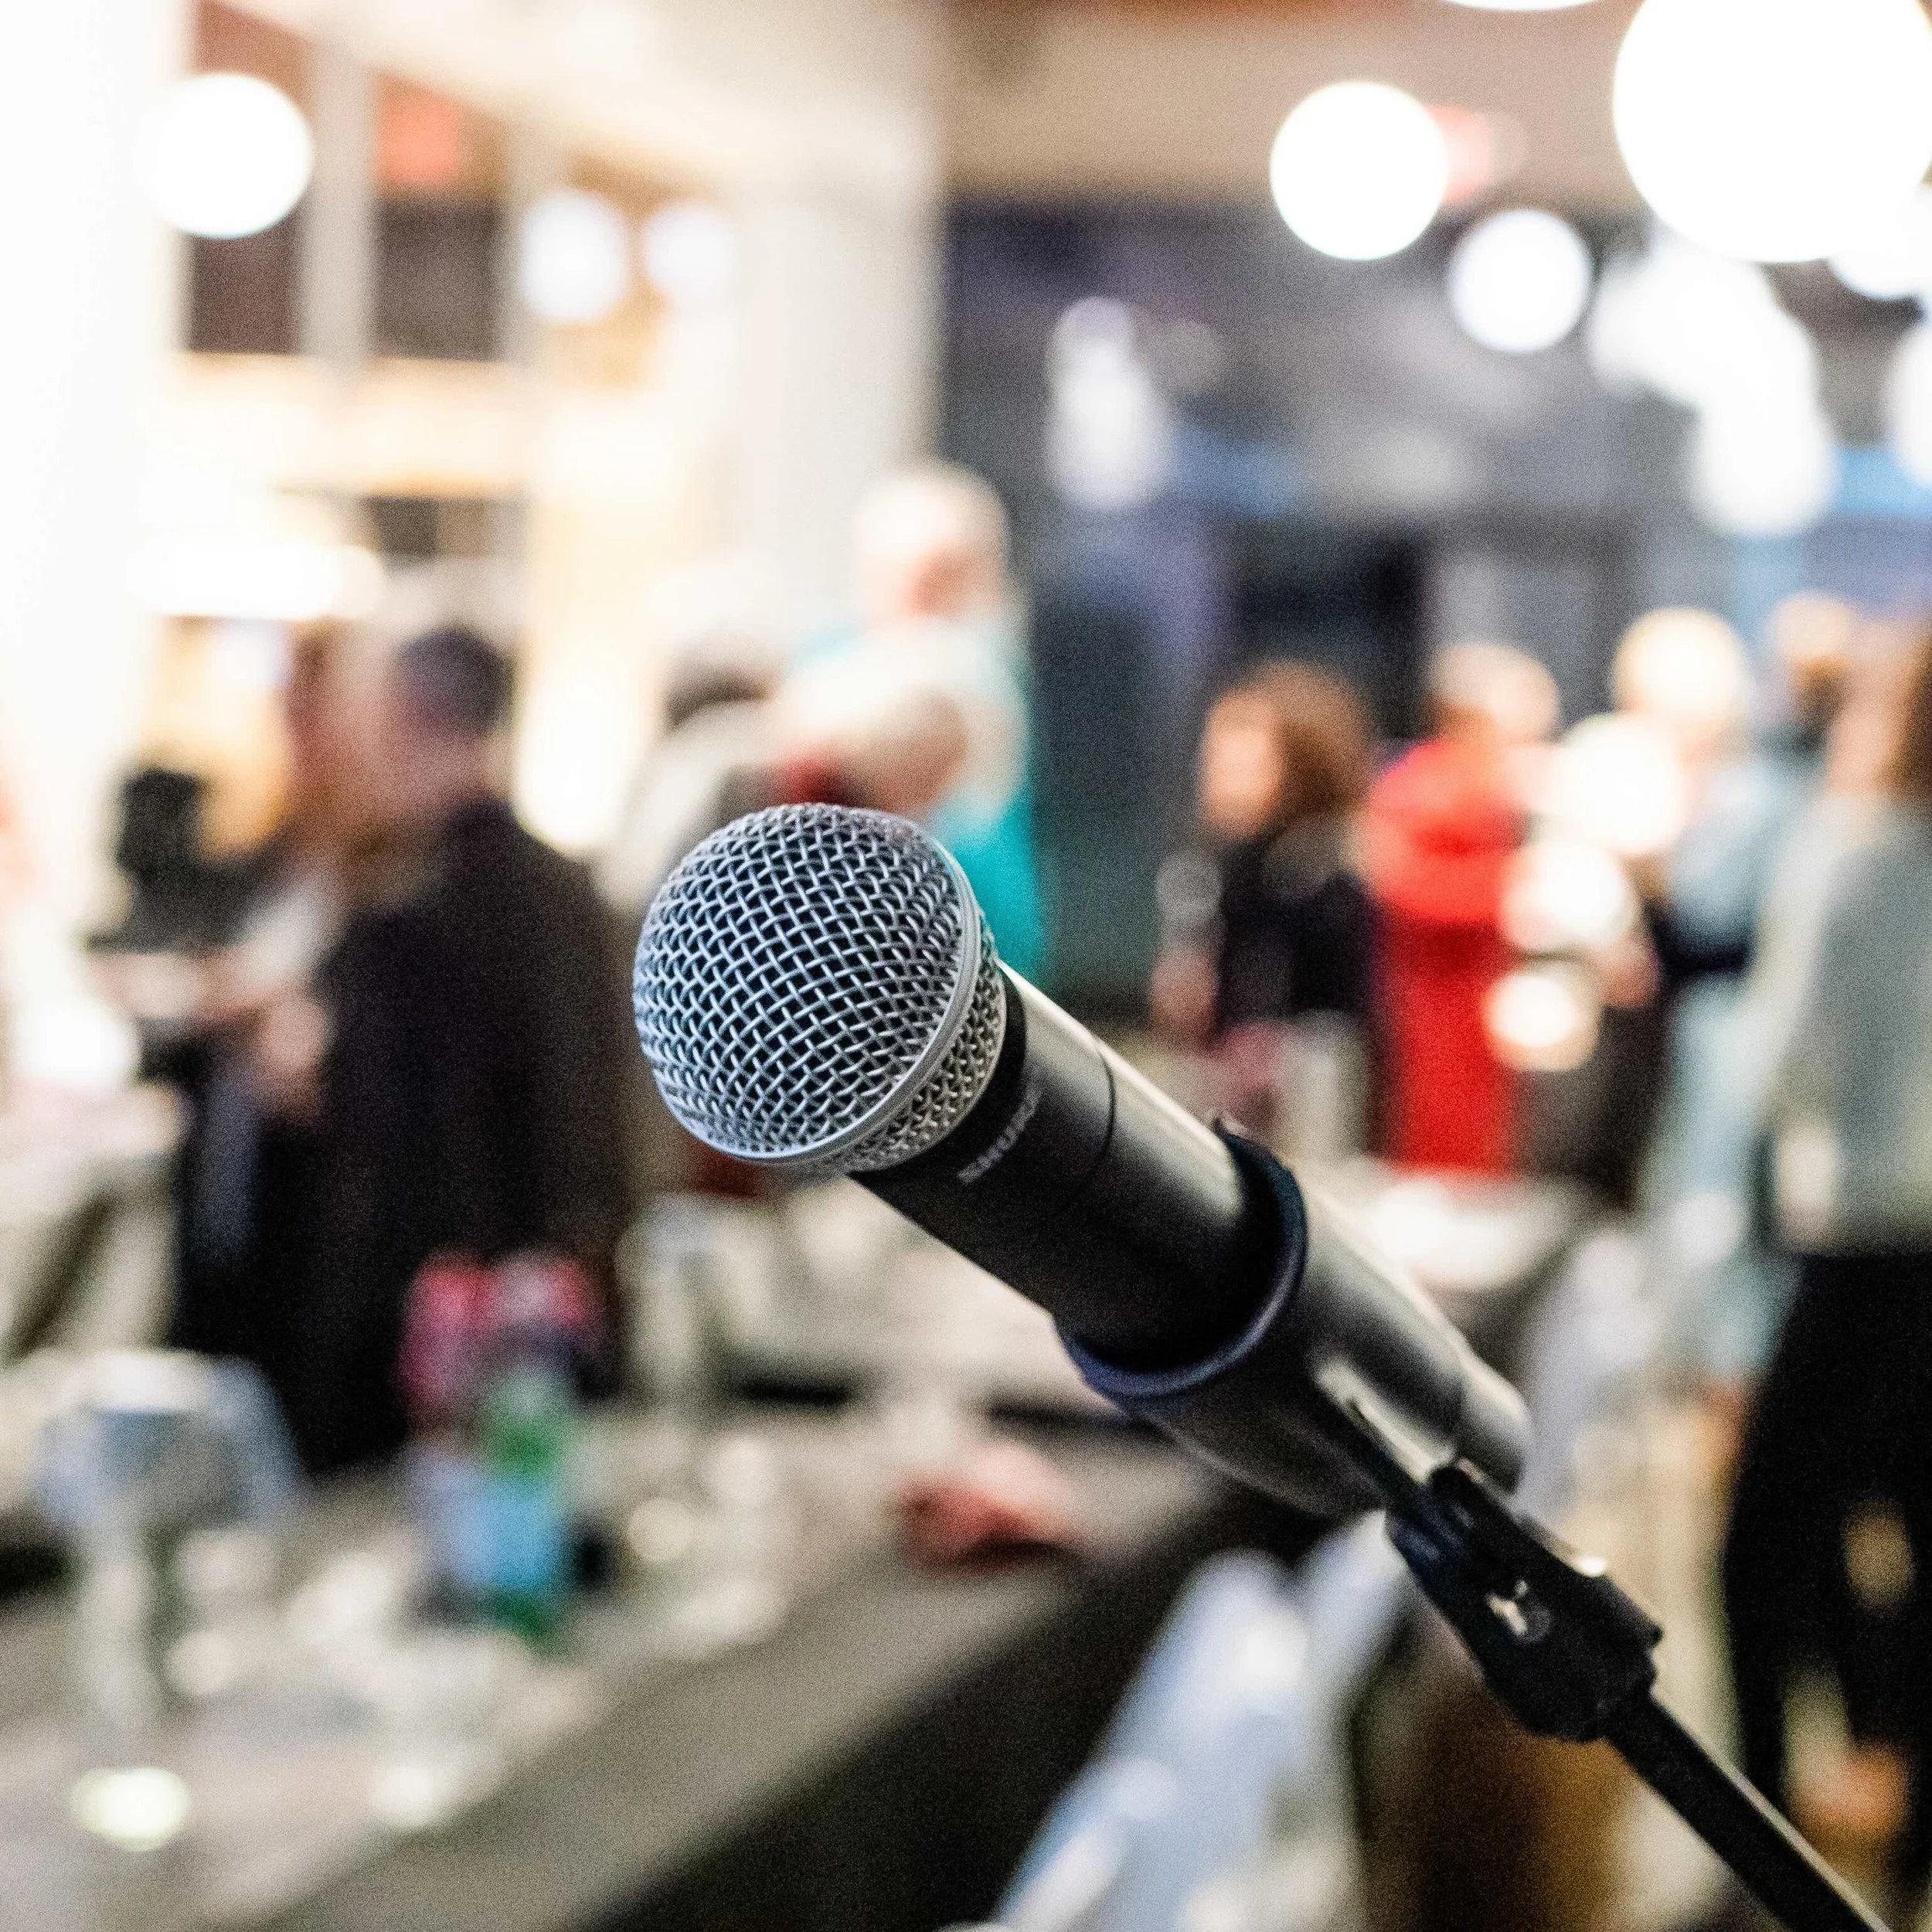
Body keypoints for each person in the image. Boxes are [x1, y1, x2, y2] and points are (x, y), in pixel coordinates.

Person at [277, 621, 634, 1471]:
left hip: (433, 1319)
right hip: (559, 1294)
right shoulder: (573, 893)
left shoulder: (408, 913)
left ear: (407, 718)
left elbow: (375, 1127)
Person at [1722, 622, 1932, 1898]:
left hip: (1857, 1230)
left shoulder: (1851, 853)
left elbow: (1788, 1059)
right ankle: (1910, 1847)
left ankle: (1757, 1845)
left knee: (1762, 1547)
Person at [784, 462, 1045, 978]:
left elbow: (993, 834)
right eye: (922, 579)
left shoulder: (989, 676)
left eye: (953, 579)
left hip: (962, 929)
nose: (935, 600)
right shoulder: (822, 665)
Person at [1360, 641, 1557, 1174]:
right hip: (1431, 993)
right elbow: (1399, 882)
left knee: (1484, 1130)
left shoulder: (1491, 784)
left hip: (1480, 990)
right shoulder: (1421, 784)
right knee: (1438, 1127)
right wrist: (1504, 891)